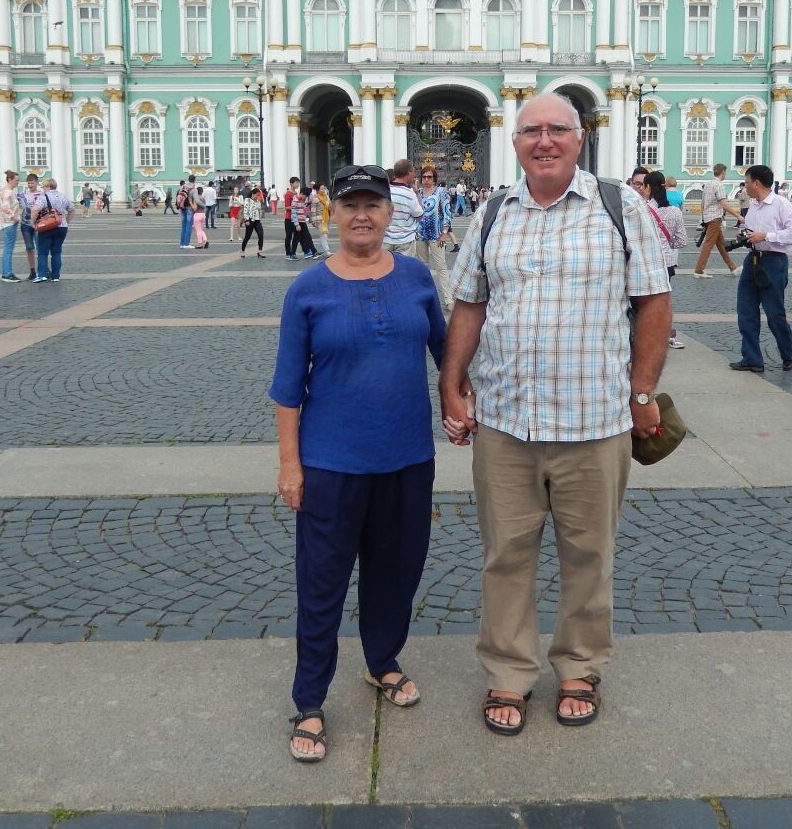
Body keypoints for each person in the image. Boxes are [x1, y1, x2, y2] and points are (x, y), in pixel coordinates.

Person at [440, 94, 671, 736]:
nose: (545, 141)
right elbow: (468, 305)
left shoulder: (622, 209)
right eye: (532, 131)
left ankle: (578, 666)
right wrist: (450, 384)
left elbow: (654, 301)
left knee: (589, 554)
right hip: (507, 422)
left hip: (595, 420)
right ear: (514, 142)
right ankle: (509, 673)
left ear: (580, 139)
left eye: (557, 130)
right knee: (505, 556)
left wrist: (644, 392)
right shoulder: (492, 214)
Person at [269, 163, 446, 762]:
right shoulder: (309, 288)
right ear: (334, 214)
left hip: (406, 458)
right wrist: (290, 466)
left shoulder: (418, 278)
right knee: (321, 583)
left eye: (372, 204)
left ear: (390, 213)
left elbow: (449, 356)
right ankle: (310, 699)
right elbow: (287, 388)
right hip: (330, 463)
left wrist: (461, 405)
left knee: (396, 571)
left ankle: (382, 661)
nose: (362, 215)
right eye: (350, 206)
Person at [721, 164, 792, 373]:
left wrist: (766, 236)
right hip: (753, 259)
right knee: (745, 310)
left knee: (774, 313)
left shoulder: (781, 204)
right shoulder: (754, 206)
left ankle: (787, 353)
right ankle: (752, 358)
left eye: (746, 182)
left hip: (774, 261)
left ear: (756, 183)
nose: (744, 187)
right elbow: (750, 228)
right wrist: (745, 235)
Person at [633, 169, 687, 350]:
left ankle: (643, 338)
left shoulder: (642, 210)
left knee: (643, 303)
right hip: (668, 263)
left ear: (648, 187)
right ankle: (662, 336)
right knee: (662, 302)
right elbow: (681, 241)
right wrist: (666, 242)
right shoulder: (674, 211)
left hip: (646, 263)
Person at [416, 167, 453, 314]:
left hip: (437, 235)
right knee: (422, 268)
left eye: (429, 177)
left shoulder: (441, 192)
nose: (426, 179)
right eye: (424, 177)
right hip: (420, 234)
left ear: (434, 178)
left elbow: (447, 213)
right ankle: (426, 298)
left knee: (441, 267)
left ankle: (448, 299)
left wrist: (444, 232)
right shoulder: (417, 193)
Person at [694, 163, 739, 279]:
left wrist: (703, 218)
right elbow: (724, 203)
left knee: (721, 244)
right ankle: (699, 269)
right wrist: (737, 215)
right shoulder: (719, 185)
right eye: (725, 172)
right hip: (715, 218)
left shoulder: (708, 184)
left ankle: (732, 267)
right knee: (709, 243)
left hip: (708, 217)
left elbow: (703, 203)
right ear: (723, 172)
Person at [27, 177, 73, 282]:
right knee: (56, 252)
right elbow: (72, 209)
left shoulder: (43, 196)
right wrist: (66, 221)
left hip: (47, 226)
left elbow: (35, 210)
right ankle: (56, 276)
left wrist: (33, 222)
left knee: (43, 252)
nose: (42, 188)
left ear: (48, 186)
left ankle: (42, 275)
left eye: (43, 186)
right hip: (61, 227)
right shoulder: (63, 196)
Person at [384, 160, 423, 258]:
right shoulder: (409, 194)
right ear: (409, 172)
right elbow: (419, 215)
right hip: (405, 241)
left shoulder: (385, 190)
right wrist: (417, 192)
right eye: (413, 172)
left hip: (385, 239)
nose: (414, 175)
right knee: (404, 270)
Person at [0, 170, 24, 283]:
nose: (18, 182)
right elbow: (5, 207)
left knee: (8, 249)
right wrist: (15, 217)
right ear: (10, 180)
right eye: (16, 180)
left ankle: (7, 272)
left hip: (5, 223)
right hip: (9, 223)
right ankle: (7, 274)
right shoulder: (8, 192)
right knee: (8, 249)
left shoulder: (3, 190)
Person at [17, 173, 41, 281]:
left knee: (40, 247)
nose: (30, 185)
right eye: (29, 183)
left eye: (32, 183)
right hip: (25, 225)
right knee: (29, 248)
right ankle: (32, 271)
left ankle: (43, 270)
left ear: (37, 183)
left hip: (38, 224)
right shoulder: (22, 195)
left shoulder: (42, 195)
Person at [239, 186, 265, 258]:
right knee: (247, 236)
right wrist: (246, 220)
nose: (258, 196)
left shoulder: (258, 201)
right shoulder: (247, 200)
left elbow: (259, 210)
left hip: (257, 220)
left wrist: (261, 213)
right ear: (253, 194)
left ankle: (260, 251)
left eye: (259, 195)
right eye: (257, 195)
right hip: (250, 221)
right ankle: (243, 251)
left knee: (261, 235)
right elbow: (245, 210)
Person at [177, 175, 197, 249]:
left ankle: (182, 243)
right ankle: (186, 243)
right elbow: (196, 199)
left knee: (184, 225)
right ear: (194, 180)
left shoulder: (182, 186)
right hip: (189, 207)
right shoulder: (193, 188)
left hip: (182, 207)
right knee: (189, 225)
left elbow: (178, 194)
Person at [189, 179, 210, 249]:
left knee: (198, 230)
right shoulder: (203, 198)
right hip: (203, 214)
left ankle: (200, 243)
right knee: (201, 229)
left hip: (197, 214)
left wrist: (191, 203)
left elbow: (195, 208)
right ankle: (205, 240)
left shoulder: (196, 199)